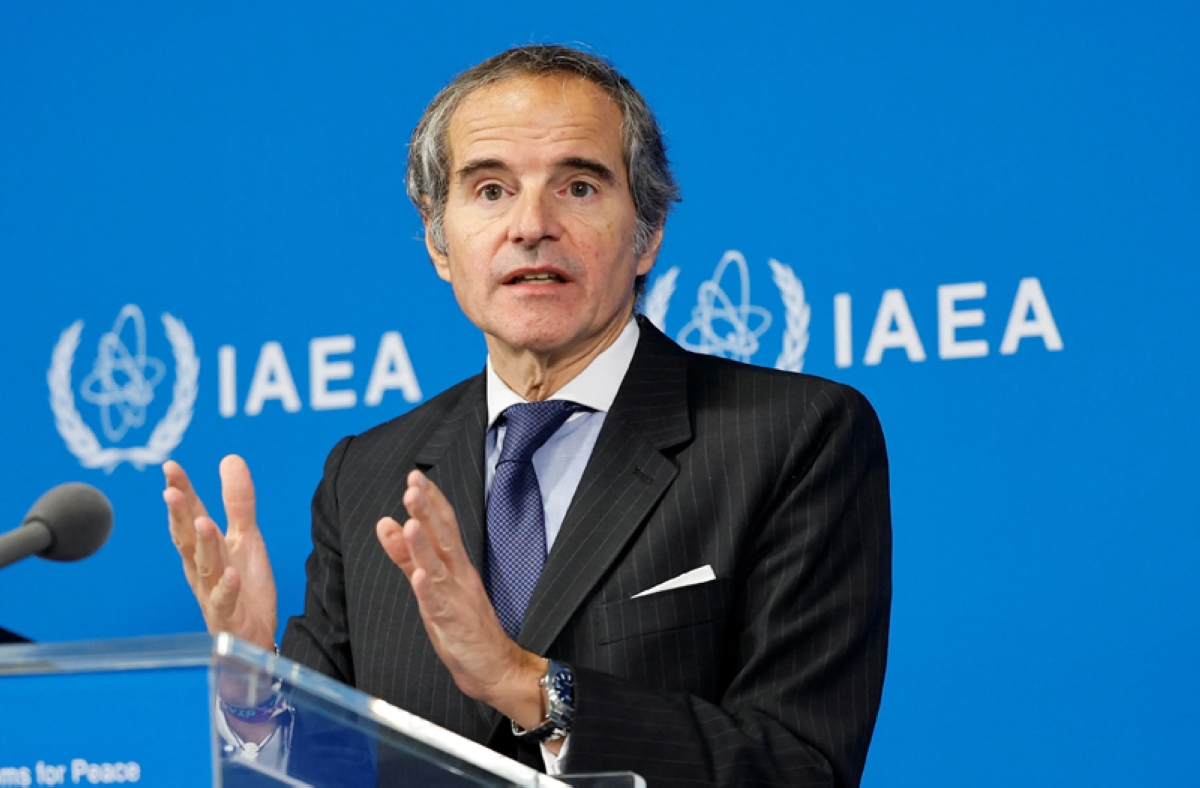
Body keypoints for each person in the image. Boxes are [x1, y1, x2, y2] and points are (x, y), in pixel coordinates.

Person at [165, 45, 892, 787]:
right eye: (490, 190)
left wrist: (528, 685)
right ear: (439, 243)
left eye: (578, 187)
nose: (531, 225)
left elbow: (798, 766)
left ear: (647, 233)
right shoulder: (367, 475)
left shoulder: (792, 436)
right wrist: (252, 693)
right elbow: (325, 770)